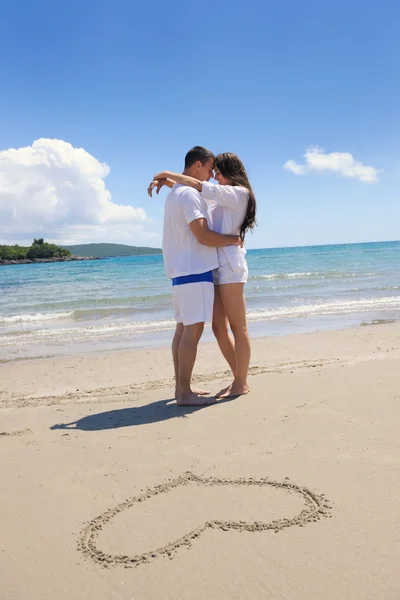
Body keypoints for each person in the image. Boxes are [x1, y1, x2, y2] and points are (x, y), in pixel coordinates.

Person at [149, 152, 256, 399]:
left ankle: (241, 381)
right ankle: (237, 376)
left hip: (230, 267)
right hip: (213, 267)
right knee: (219, 327)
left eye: (218, 171)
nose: (214, 175)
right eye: (213, 170)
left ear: (230, 170)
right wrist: (168, 184)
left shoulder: (240, 193)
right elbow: (191, 195)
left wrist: (165, 174)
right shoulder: (219, 198)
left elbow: (196, 184)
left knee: (238, 327)